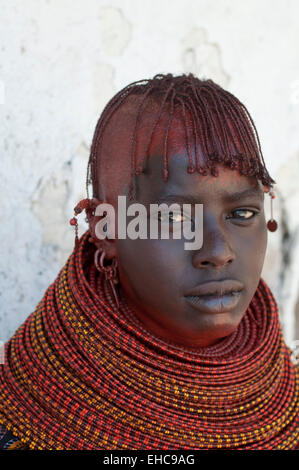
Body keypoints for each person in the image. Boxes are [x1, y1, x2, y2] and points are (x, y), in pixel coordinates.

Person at [0, 73, 297, 450]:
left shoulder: (288, 397)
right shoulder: (19, 423)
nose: (219, 252)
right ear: (105, 231)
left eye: (241, 214)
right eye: (174, 218)